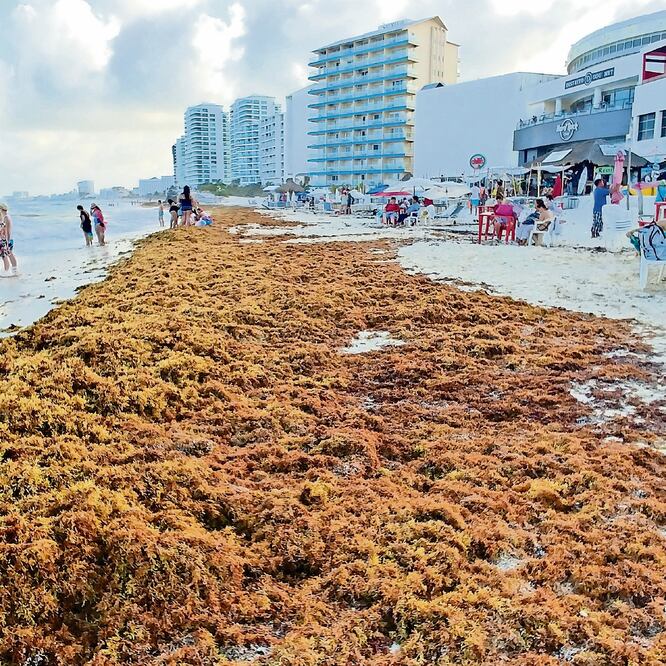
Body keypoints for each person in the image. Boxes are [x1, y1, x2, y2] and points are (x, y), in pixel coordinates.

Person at [0, 202, 18, 276]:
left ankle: (7, 272)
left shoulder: (6, 217)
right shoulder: (4, 217)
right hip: (5, 239)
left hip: (6, 239)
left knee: (5, 255)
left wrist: (7, 242)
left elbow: (8, 231)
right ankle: (14, 271)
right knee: (9, 254)